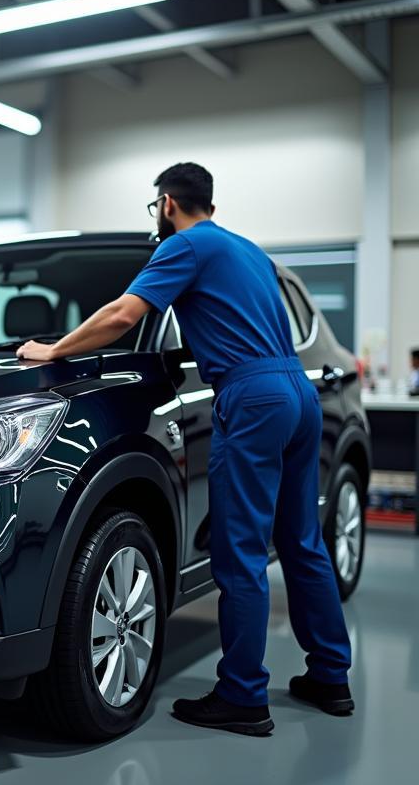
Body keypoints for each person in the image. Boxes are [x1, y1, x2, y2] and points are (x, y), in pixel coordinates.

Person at [17, 163, 353, 736]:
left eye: (157, 210)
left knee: (241, 550)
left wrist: (54, 350)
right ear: (210, 204)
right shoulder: (247, 250)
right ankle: (330, 677)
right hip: (298, 393)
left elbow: (124, 314)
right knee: (301, 541)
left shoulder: (187, 246)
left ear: (167, 203)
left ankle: (244, 696)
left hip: (251, 397)